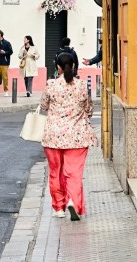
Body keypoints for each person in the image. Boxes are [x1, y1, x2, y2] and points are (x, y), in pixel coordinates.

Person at [40, 52, 97, 221]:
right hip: (77, 136)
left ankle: (58, 208)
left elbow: (44, 105)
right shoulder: (81, 86)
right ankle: (73, 202)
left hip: (54, 137)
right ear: (73, 66)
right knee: (73, 173)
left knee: (55, 172)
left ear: (57, 68)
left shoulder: (51, 85)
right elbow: (89, 110)